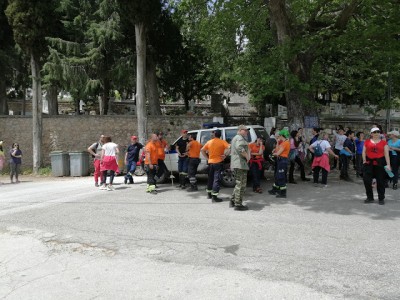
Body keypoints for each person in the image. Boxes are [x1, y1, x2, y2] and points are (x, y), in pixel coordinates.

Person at [362, 127, 391, 205]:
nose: (376, 133)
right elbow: (364, 152)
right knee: (367, 180)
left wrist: (388, 164)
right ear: (371, 134)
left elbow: (386, 154)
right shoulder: (367, 142)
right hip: (369, 163)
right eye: (374, 132)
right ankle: (370, 197)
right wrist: (364, 160)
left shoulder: (384, 143)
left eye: (378, 132)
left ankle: (381, 198)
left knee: (381, 181)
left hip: (380, 163)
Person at [201, 129, 230, 202]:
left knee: (210, 179)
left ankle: (209, 194)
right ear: (220, 135)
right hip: (218, 163)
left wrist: (207, 158)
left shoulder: (209, 142)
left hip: (210, 163)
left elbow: (202, 150)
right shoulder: (222, 142)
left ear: (214, 134)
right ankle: (214, 196)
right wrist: (225, 155)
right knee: (216, 179)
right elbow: (229, 148)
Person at [230, 125, 250, 211]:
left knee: (239, 183)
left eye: (247, 131)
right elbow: (239, 148)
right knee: (241, 184)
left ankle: (233, 200)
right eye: (245, 130)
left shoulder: (236, 138)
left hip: (238, 164)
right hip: (240, 164)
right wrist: (247, 156)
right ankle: (238, 204)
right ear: (240, 130)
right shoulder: (239, 138)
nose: (246, 132)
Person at [268, 129, 290, 198]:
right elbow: (277, 150)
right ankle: (275, 189)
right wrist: (277, 142)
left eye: (279, 136)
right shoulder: (282, 142)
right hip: (280, 160)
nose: (278, 137)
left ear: (281, 135)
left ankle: (283, 193)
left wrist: (272, 154)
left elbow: (278, 153)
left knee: (281, 176)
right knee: (277, 175)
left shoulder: (286, 143)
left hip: (282, 160)